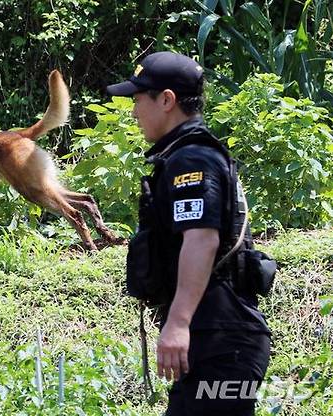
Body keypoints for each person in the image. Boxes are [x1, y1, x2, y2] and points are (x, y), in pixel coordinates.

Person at [107, 51, 272, 415]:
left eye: (137, 100)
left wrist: (179, 324)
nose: (134, 112)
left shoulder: (192, 160)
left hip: (221, 336)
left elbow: (202, 238)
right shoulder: (187, 155)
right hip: (217, 334)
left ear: (166, 100)